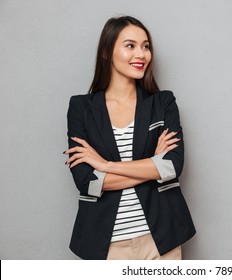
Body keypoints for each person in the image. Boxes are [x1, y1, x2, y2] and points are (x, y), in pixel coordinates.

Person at [64, 15, 196, 260]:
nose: (142, 54)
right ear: (106, 52)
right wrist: (151, 165)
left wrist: (106, 166)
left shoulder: (163, 102)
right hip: (105, 244)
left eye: (146, 46)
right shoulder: (81, 108)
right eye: (130, 45)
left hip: (162, 239)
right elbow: (87, 182)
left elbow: (172, 166)